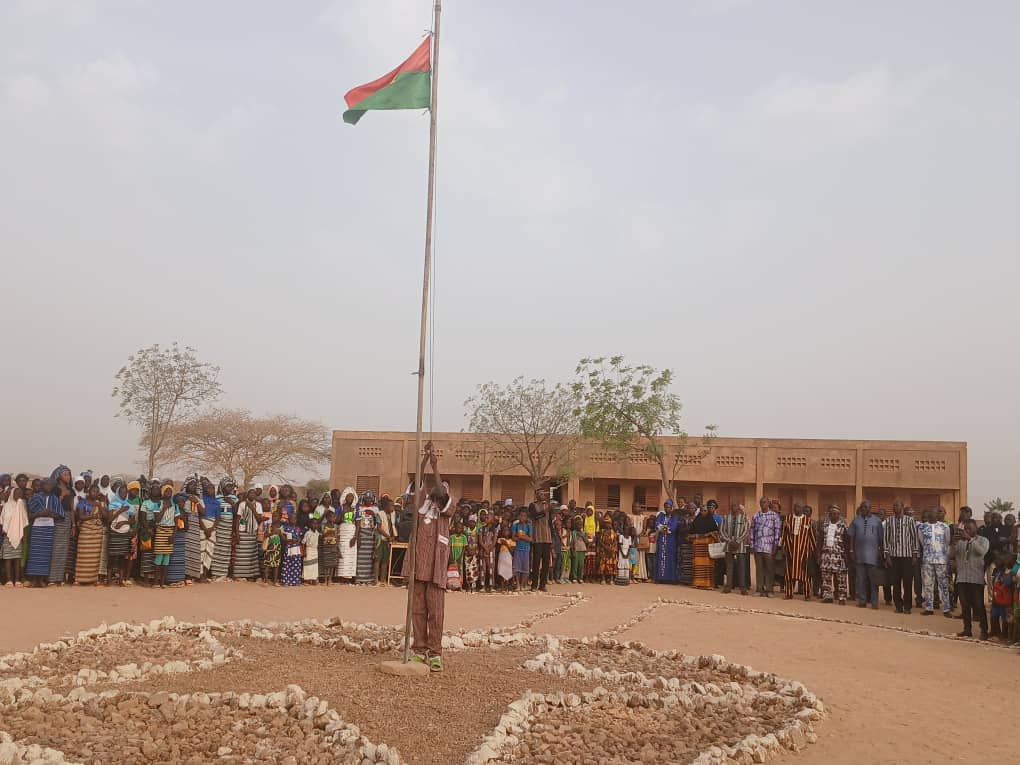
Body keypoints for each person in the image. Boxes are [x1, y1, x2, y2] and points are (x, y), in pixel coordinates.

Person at [402, 442, 454, 671]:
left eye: (443, 487)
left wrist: (436, 466)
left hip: (436, 568)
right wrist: (424, 460)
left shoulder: (447, 511)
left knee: (436, 611)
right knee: (417, 610)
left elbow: (441, 492)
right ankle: (418, 649)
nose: (438, 488)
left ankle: (435, 653)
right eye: (436, 485)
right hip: (417, 566)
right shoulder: (420, 505)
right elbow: (419, 484)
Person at [954, 519, 989, 640]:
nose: (967, 530)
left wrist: (970, 539)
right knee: (964, 605)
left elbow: (982, 551)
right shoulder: (960, 542)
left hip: (976, 579)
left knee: (979, 605)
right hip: (962, 578)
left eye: (970, 528)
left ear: (976, 529)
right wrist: (953, 543)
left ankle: (984, 630)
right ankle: (967, 629)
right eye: (966, 528)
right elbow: (950, 554)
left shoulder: (983, 540)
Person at [882, 500, 919, 614]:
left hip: (907, 556)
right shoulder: (889, 521)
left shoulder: (910, 520)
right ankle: (898, 605)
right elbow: (886, 539)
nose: (895, 507)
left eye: (897, 505)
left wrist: (914, 555)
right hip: (893, 556)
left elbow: (914, 538)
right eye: (894, 505)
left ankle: (907, 606)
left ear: (902, 507)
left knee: (907, 582)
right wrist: (887, 555)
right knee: (895, 582)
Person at [917, 507, 953, 617]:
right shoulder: (922, 527)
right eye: (930, 513)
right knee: (928, 584)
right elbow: (922, 542)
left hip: (941, 560)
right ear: (927, 515)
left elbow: (947, 542)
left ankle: (946, 609)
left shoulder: (944, 527)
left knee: (943, 585)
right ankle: (929, 608)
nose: (932, 515)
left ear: (937, 515)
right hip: (927, 559)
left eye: (935, 513)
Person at [848, 500, 884, 609]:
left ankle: (874, 602)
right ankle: (862, 601)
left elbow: (881, 538)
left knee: (874, 581)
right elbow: (851, 536)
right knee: (861, 579)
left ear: (870, 508)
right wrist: (851, 550)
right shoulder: (855, 520)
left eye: (866, 507)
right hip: (859, 555)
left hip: (873, 556)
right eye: (862, 507)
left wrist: (881, 552)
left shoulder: (877, 521)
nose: (864, 509)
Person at [779, 504, 816, 601]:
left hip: (803, 552)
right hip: (790, 551)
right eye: (795, 507)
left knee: (805, 573)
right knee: (789, 573)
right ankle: (789, 593)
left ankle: (807, 595)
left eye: (799, 507)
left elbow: (811, 537)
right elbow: (784, 533)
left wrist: (813, 551)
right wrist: (782, 546)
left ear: (802, 509)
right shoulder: (788, 518)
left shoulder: (807, 521)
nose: (796, 509)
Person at [749, 497, 781, 597]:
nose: (763, 504)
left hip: (769, 547)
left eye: (765, 502)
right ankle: (759, 589)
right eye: (761, 502)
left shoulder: (774, 516)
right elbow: (752, 530)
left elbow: (777, 531)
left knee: (769, 569)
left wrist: (775, 546)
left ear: (768, 504)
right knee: (759, 569)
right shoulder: (756, 516)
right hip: (758, 546)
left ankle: (769, 590)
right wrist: (752, 544)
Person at [818, 505, 849, 604]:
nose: (833, 515)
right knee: (826, 576)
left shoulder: (844, 525)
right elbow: (820, 540)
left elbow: (847, 541)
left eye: (835, 513)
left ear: (839, 514)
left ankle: (842, 597)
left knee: (841, 577)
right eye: (831, 513)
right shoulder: (824, 524)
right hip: (826, 555)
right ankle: (828, 596)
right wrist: (818, 554)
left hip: (839, 555)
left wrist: (847, 554)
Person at [0, 476, 28, 586]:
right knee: (7, 559)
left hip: (19, 536)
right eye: (16, 493)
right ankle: (8, 580)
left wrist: (24, 538)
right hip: (7, 536)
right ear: (12, 494)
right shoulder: (6, 506)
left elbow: (24, 522)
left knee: (17, 559)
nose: (19, 495)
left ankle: (17, 580)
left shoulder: (22, 505)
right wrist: (6, 531)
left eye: (20, 493)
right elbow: (2, 520)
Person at [719, 502, 749, 595]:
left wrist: (738, 541)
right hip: (729, 546)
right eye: (732, 506)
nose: (734, 507)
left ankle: (742, 587)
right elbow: (722, 531)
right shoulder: (725, 518)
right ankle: (728, 586)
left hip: (740, 546)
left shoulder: (744, 518)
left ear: (739, 507)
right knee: (729, 567)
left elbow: (746, 530)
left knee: (741, 567)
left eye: (735, 505)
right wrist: (729, 541)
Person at [232, 488, 261, 582]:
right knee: (241, 555)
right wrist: (237, 533)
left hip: (253, 532)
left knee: (251, 555)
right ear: (247, 495)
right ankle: (239, 575)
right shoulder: (242, 504)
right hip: (242, 531)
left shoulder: (258, 505)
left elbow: (259, 518)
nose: (252, 495)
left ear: (256, 496)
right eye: (250, 493)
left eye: (254, 493)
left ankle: (250, 575)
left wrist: (252, 508)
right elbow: (237, 519)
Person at [528, 488, 554, 592]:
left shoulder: (548, 506)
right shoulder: (532, 505)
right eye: (541, 494)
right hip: (537, 538)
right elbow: (535, 516)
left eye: (544, 494)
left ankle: (542, 585)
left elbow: (550, 522)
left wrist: (552, 538)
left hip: (547, 538)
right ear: (537, 495)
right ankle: (534, 585)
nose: (543, 496)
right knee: (536, 562)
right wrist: (545, 510)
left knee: (546, 562)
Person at [689, 503, 720, 590]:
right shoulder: (696, 520)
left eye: (705, 511)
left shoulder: (711, 521)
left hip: (708, 547)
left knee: (708, 565)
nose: (703, 512)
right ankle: (697, 583)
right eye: (702, 510)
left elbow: (716, 532)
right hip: (698, 547)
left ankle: (708, 584)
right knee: (697, 565)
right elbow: (690, 534)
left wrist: (709, 534)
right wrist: (697, 536)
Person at [990, 551, 1014, 642]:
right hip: (997, 599)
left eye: (998, 559)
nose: (996, 561)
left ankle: (1004, 635)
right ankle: (998, 633)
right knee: (994, 616)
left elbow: (1007, 582)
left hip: (1006, 600)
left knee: (1005, 619)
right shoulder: (998, 571)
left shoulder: (1011, 572)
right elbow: (994, 584)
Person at [355, 493, 377, 585]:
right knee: (360, 558)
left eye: (370, 498)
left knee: (369, 558)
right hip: (361, 533)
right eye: (366, 498)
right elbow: (357, 522)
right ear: (363, 499)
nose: (368, 500)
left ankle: (368, 579)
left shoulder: (376, 509)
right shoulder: (359, 509)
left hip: (370, 534)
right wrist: (358, 536)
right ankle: (358, 579)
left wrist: (374, 515)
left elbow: (378, 523)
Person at [510, 508, 533, 591]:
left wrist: (521, 536)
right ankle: (518, 585)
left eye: (524, 516)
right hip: (518, 549)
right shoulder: (515, 526)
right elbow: (513, 537)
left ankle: (523, 584)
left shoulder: (529, 526)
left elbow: (530, 539)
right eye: (521, 516)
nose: (522, 517)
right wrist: (523, 537)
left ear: (526, 517)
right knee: (517, 567)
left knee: (525, 568)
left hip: (526, 549)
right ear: (518, 516)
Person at [280, 512, 303, 587]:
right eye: (291, 518)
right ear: (288, 519)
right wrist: (289, 540)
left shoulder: (298, 529)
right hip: (288, 548)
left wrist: (297, 540)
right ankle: (286, 581)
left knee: (296, 565)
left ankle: (295, 581)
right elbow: (283, 538)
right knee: (287, 564)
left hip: (296, 549)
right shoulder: (285, 528)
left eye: (294, 518)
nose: (293, 520)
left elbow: (300, 538)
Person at [596, 514, 617, 585]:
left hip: (611, 550)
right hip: (604, 550)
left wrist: (611, 549)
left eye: (608, 523)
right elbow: (600, 541)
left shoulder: (613, 532)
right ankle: (603, 578)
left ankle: (611, 579)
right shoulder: (602, 532)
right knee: (603, 565)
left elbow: (615, 541)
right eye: (606, 523)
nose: (607, 525)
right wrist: (605, 547)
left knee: (611, 564)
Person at [302, 517, 321, 585]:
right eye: (313, 523)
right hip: (309, 550)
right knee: (308, 565)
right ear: (310, 524)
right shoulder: (307, 533)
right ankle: (307, 579)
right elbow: (303, 543)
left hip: (315, 550)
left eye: (316, 524)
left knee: (314, 565)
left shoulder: (318, 533)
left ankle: (314, 578)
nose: (315, 525)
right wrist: (304, 551)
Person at [616, 521, 632, 586]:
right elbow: (619, 545)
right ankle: (621, 579)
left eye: (627, 530)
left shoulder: (630, 537)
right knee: (621, 564)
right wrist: (622, 553)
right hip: (622, 551)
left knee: (627, 564)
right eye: (625, 529)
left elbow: (630, 546)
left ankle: (626, 579)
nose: (626, 531)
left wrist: (627, 553)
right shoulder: (621, 536)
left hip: (627, 551)